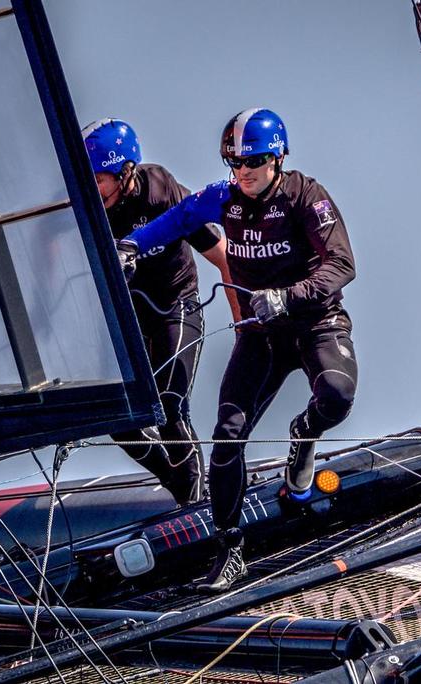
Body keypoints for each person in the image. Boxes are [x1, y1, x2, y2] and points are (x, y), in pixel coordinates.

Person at [116, 108, 357, 592]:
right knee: (227, 436)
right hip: (260, 336)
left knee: (335, 396)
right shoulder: (222, 198)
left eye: (254, 162)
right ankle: (231, 550)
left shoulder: (307, 198)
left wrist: (290, 296)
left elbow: (343, 264)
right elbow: (176, 219)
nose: (243, 172)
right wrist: (132, 245)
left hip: (314, 324)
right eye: (235, 163)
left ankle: (303, 437)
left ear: (278, 157)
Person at [83, 118, 235, 506]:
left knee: (169, 406)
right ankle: (180, 486)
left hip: (175, 305)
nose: (92, 189)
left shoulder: (158, 190)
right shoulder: (88, 206)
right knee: (121, 419)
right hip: (131, 320)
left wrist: (243, 325)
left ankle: (199, 502)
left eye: (99, 179)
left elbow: (222, 258)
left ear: (126, 172)